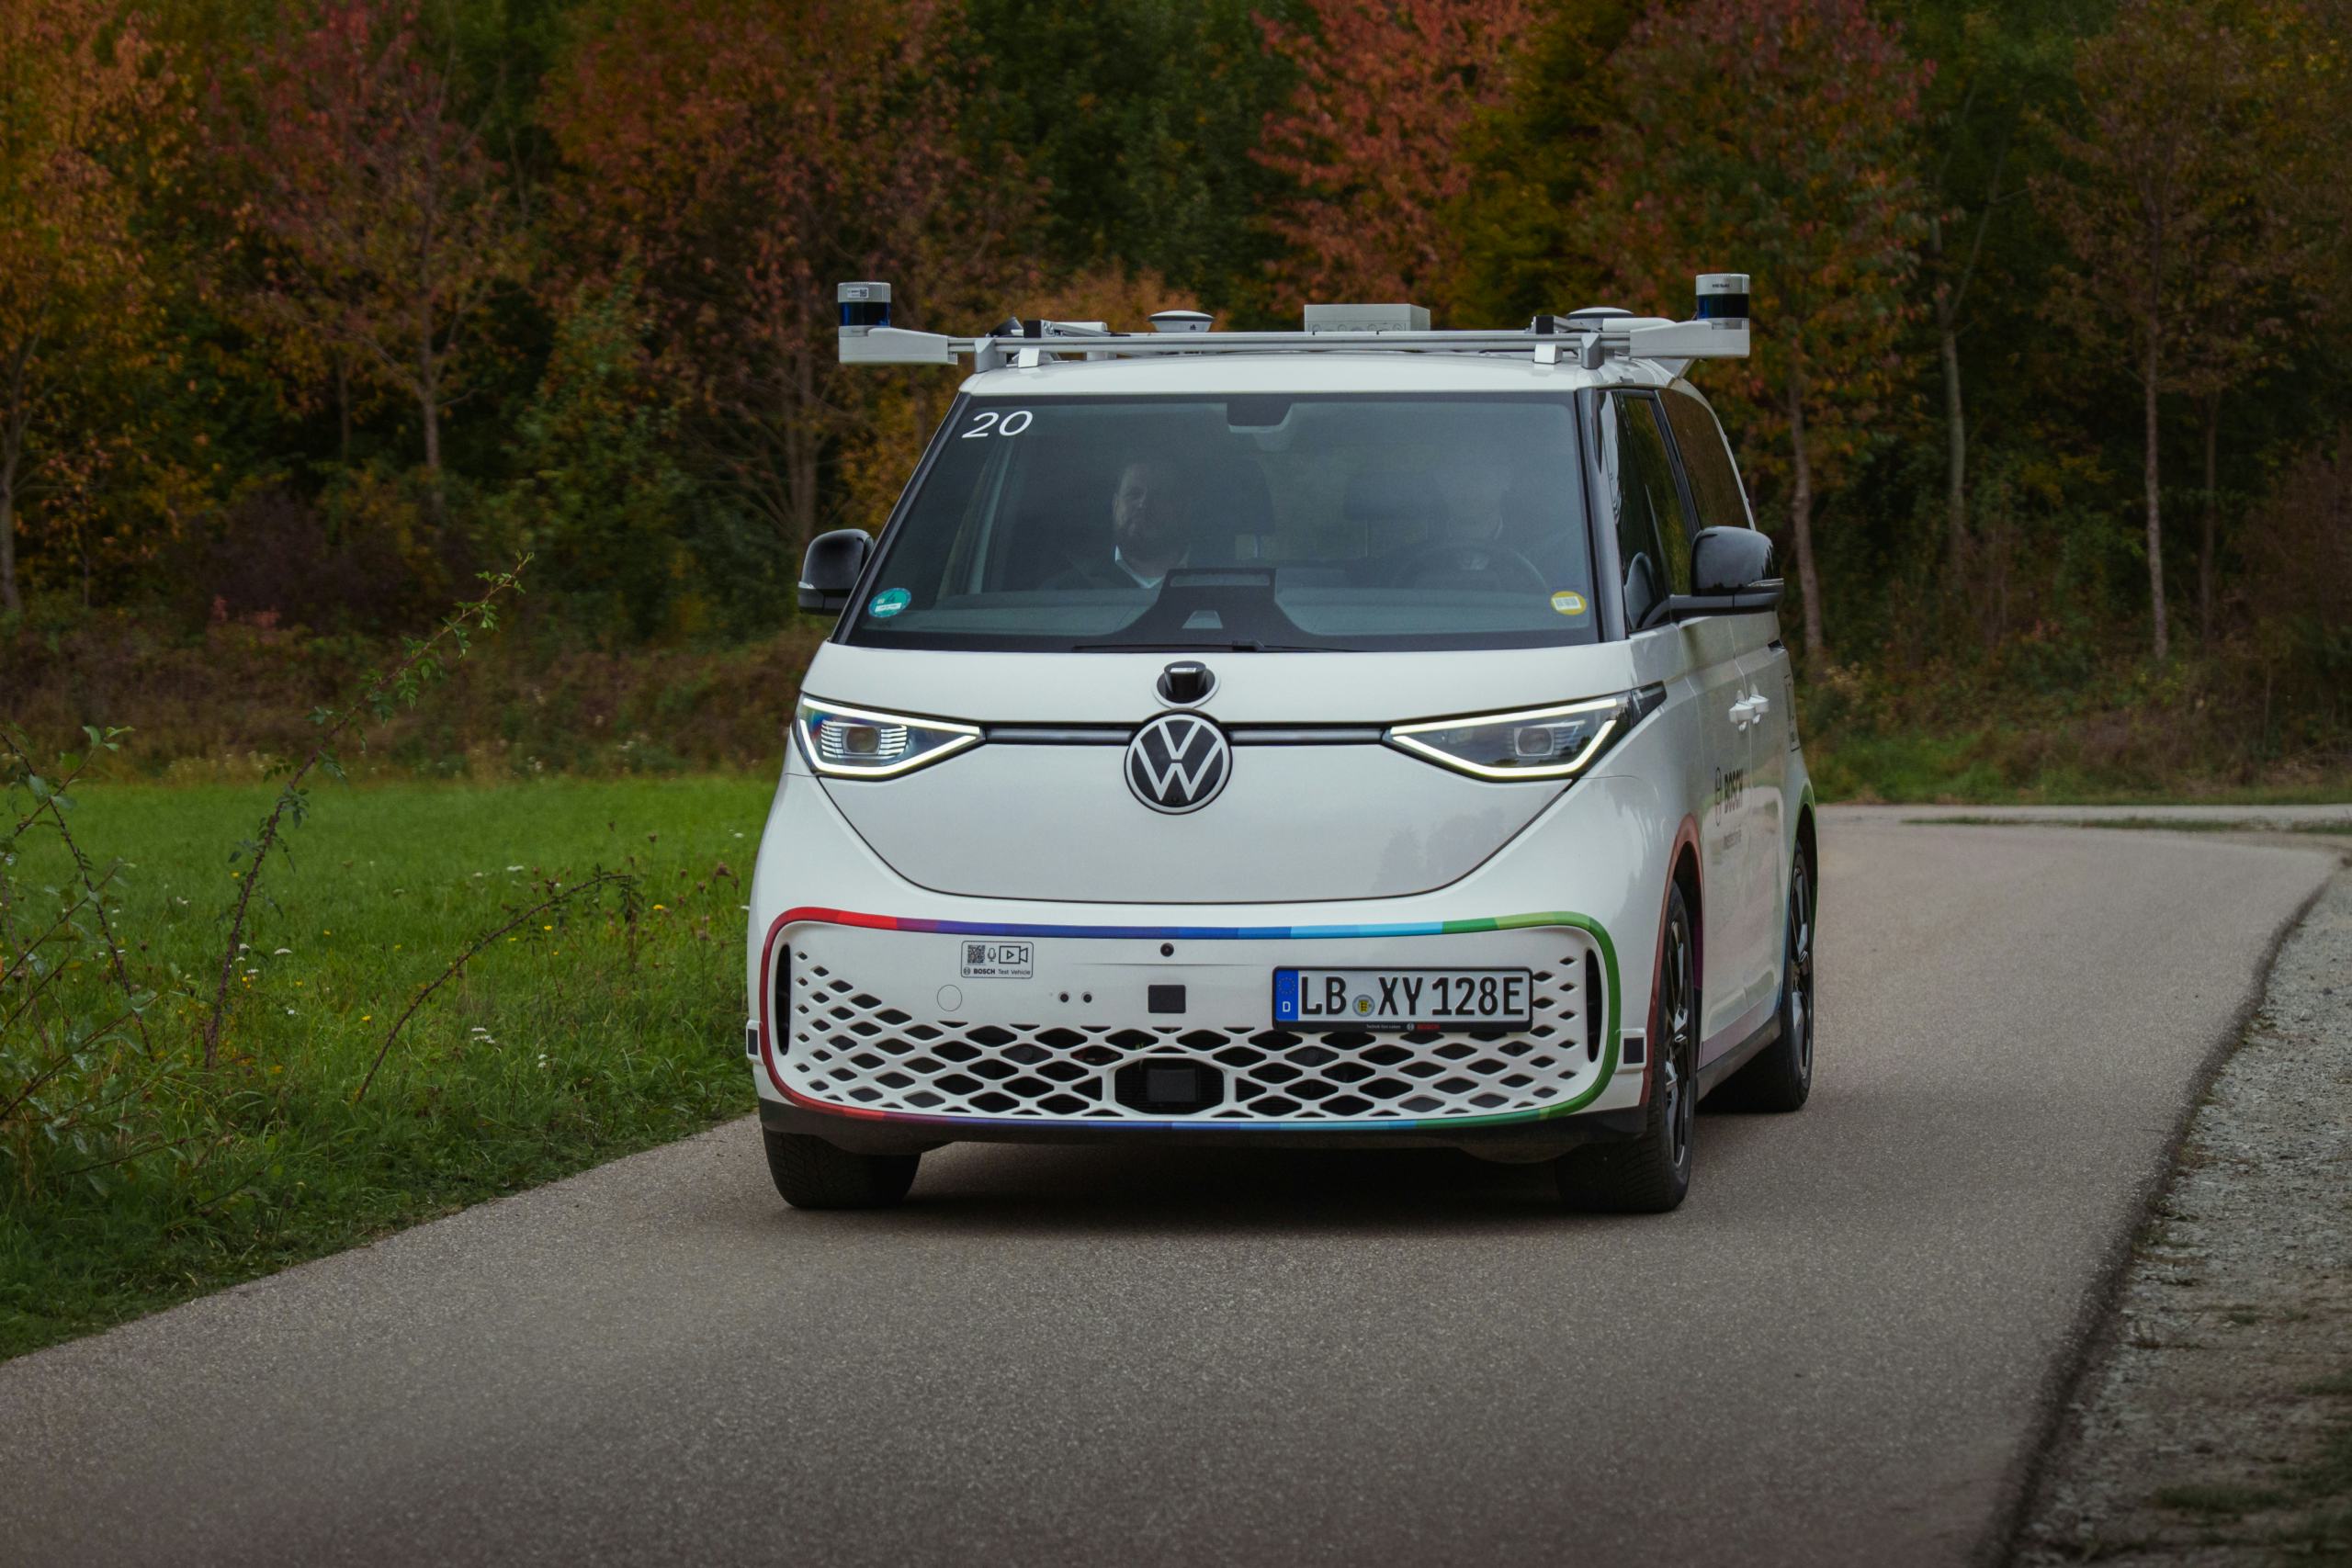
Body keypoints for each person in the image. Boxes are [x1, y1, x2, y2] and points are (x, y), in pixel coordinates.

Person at [1050, 458, 1193, 589]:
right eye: (1133, 494)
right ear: (1115, 505)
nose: (1143, 504)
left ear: (1183, 508)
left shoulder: (1213, 580)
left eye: (1159, 495)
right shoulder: (1067, 589)